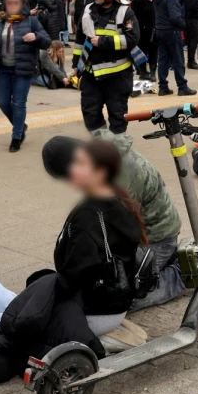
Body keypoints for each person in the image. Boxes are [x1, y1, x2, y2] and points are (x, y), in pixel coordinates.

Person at [44, 131, 186, 311]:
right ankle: (163, 262)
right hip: (140, 230)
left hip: (157, 237)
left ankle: (180, 274)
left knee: (121, 298)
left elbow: (119, 237)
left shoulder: (121, 178)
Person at [52, 138, 150, 347]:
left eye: (80, 164)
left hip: (98, 312)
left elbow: (72, 277)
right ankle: (114, 330)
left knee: (41, 321)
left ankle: (104, 339)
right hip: (118, 301)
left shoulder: (87, 217)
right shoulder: (120, 200)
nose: (72, 169)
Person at [79, 0, 142, 132]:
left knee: (118, 116)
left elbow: (132, 39)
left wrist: (102, 42)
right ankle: (102, 145)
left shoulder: (125, 12)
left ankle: (118, 149)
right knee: (90, 113)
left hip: (117, 76)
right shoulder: (88, 9)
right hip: (91, 75)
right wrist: (76, 65)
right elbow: (80, 39)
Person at [0, 0, 51, 152]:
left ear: (22, 4)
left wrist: (36, 37)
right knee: (3, 102)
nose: (12, 6)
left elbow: (47, 41)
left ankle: (16, 137)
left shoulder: (30, 21)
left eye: (15, 3)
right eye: (9, 3)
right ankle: (21, 125)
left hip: (22, 69)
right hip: (3, 69)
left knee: (18, 103)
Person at [153, 0, 193, 96]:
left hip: (160, 30)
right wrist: (184, 25)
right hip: (172, 31)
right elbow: (175, 17)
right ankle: (182, 87)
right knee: (178, 59)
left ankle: (163, 87)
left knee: (163, 59)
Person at [129, 0, 156, 82]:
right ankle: (143, 72)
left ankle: (153, 72)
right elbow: (134, 15)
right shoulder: (137, 0)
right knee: (142, 51)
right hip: (141, 30)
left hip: (153, 30)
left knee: (153, 51)